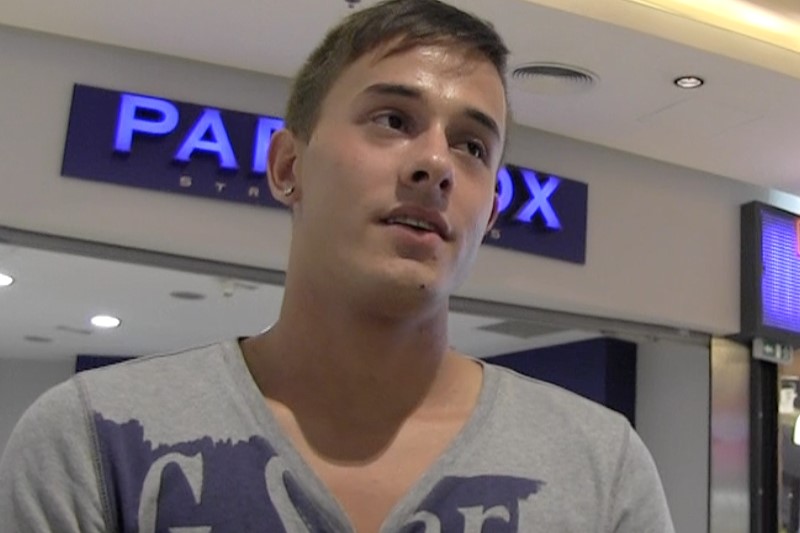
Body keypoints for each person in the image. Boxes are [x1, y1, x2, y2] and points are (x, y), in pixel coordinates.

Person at [0, 0, 675, 531]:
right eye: (392, 119)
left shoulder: (600, 467)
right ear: (288, 167)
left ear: (491, 210)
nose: (435, 163)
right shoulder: (96, 441)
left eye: (472, 146)